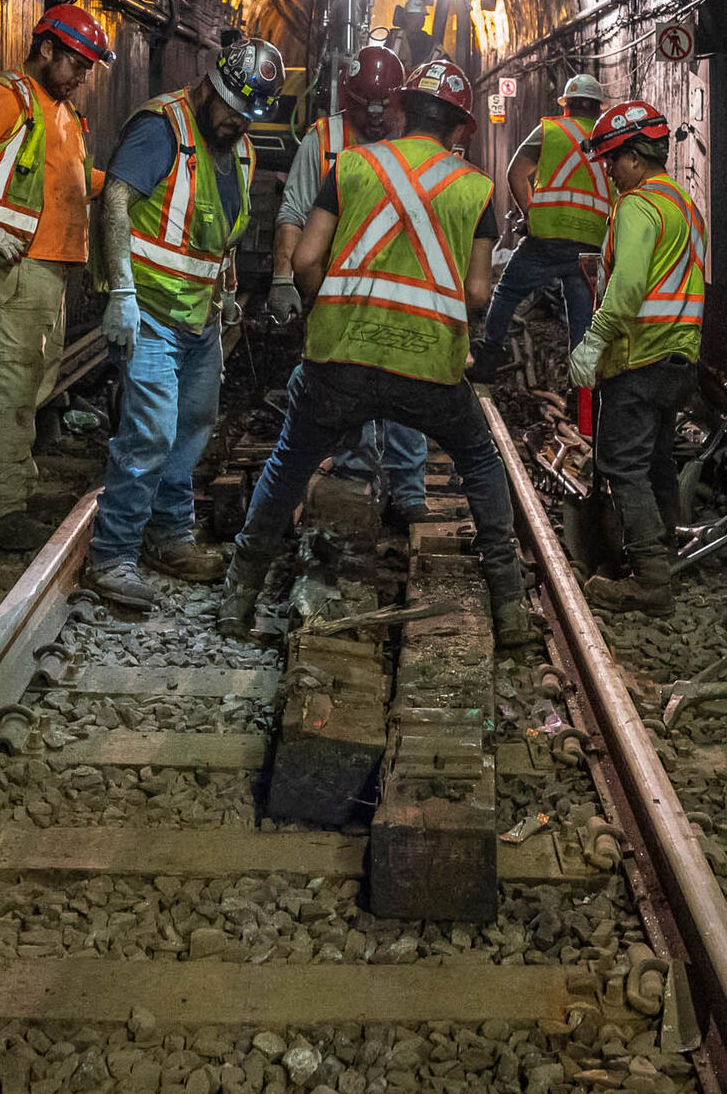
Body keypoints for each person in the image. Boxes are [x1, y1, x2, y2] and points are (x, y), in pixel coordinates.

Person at [221, 58, 540, 650]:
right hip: (427, 368)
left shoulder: (351, 165)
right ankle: (510, 609)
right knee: (480, 461)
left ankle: (238, 596)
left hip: (338, 359)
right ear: (460, 129)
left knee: (290, 463)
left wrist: (328, 308)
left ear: (399, 111)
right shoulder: (475, 188)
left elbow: (307, 260)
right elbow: (475, 292)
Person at [87, 37, 287, 609]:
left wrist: (226, 293)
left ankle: (170, 535)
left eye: (247, 116)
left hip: (198, 315)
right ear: (211, 85)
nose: (235, 123)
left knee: (193, 424)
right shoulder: (163, 127)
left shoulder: (240, 148)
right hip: (149, 308)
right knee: (149, 430)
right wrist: (120, 291)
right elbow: (117, 202)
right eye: (230, 108)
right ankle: (113, 555)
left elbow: (217, 231)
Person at [0, 1, 113, 551]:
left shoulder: (64, 114)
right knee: (9, 383)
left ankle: (12, 481)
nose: (83, 76)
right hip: (10, 265)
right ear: (46, 48)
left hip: (45, 271)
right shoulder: (6, 96)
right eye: (76, 63)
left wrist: (123, 181)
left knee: (34, 379)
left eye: (88, 67)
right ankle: (0, 510)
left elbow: (72, 181)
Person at [270, 45, 430, 526]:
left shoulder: (414, 139)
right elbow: (293, 213)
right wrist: (283, 278)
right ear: (348, 100)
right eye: (366, 109)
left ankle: (408, 493)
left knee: (407, 392)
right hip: (337, 293)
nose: (377, 122)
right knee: (343, 393)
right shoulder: (323, 138)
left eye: (385, 110)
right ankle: (356, 477)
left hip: (399, 290)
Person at [566, 101, 707, 616]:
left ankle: (650, 582)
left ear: (634, 157)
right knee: (657, 462)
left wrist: (593, 341)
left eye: (611, 161)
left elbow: (626, 292)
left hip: (639, 358)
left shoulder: (638, 207)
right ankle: (661, 559)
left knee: (622, 465)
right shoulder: (686, 207)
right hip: (679, 359)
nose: (608, 172)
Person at [469, 72, 611, 382]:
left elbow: (516, 172)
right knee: (582, 319)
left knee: (506, 293)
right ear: (599, 109)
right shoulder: (608, 139)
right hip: (589, 244)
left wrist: (530, 213)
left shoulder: (551, 130)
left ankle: (490, 357)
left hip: (545, 240)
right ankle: (583, 391)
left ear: (566, 106)